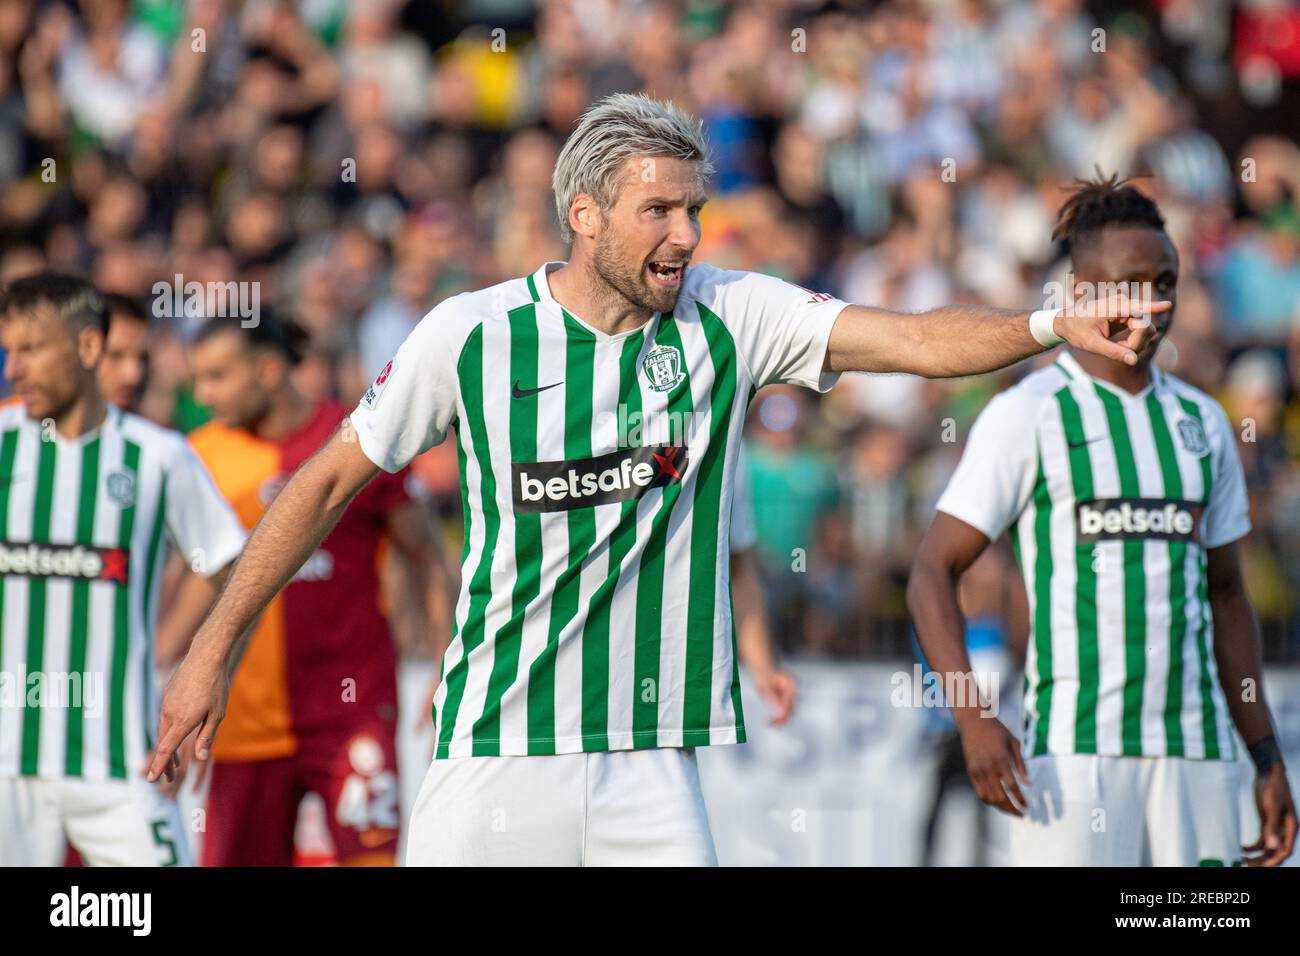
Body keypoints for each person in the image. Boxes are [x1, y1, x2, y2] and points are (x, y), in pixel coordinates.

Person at [149, 94, 1162, 866]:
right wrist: (209, 649)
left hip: (651, 760)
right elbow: (323, 489)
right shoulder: (470, 337)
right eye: (659, 211)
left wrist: (1043, 324)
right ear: (584, 214)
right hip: (495, 742)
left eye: (695, 209)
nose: (686, 234)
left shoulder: (733, 313)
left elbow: (909, 338)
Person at [908, 174, 1298, 866]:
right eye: (1130, 284)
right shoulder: (1030, 412)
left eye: (1166, 281)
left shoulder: (1203, 421)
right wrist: (972, 718)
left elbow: (1228, 594)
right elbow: (932, 573)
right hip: (1072, 754)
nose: (1154, 304)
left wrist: (1264, 752)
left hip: (1198, 753)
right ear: (1080, 293)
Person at [170, 314, 450, 866]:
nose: (203, 394)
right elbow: (197, 579)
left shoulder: (361, 441)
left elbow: (427, 558)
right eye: (197, 379)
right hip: (243, 726)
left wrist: (444, 659)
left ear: (269, 370)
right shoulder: (198, 456)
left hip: (353, 712)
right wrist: (166, 666)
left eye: (218, 376)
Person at [0, 273, 245, 866]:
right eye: (8, 350)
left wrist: (207, 672)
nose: (12, 369)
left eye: (30, 349)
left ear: (86, 348)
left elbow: (237, 572)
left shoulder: (158, 456)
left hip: (121, 764)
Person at [96, 293, 150, 413]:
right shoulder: (46, 429)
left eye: (142, 359)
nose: (133, 376)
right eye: (115, 355)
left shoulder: (155, 431)